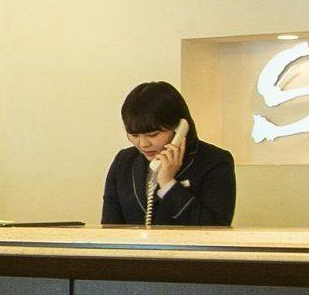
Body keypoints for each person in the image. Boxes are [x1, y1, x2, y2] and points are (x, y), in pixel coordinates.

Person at [101, 79, 237, 226]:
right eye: (134, 135)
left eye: (153, 135)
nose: (143, 144)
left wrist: (168, 183)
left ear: (179, 127)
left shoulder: (215, 161)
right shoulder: (124, 161)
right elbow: (110, 227)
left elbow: (215, 228)